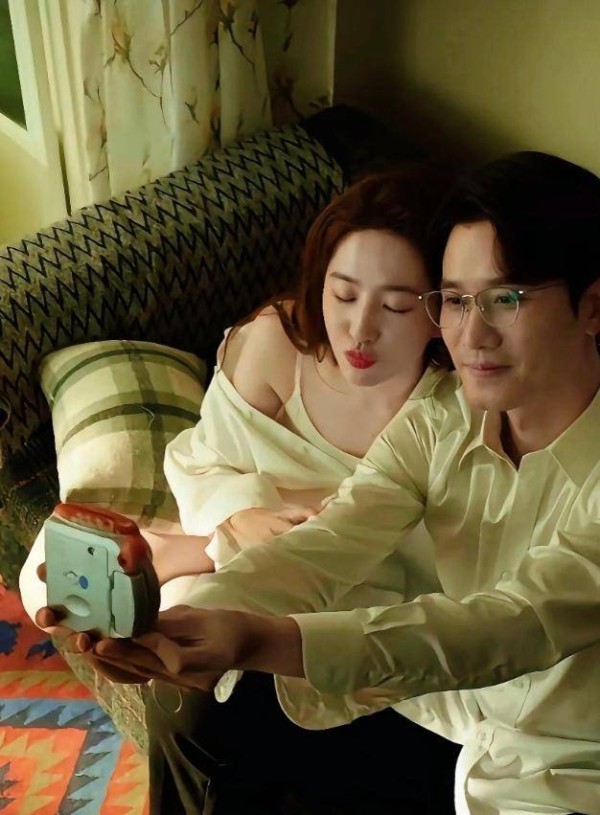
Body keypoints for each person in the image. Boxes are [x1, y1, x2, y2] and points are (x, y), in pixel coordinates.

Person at [69, 150, 600, 815]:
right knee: (203, 703)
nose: (471, 335)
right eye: (455, 300)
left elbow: (507, 626)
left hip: (571, 765)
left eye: (505, 299)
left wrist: (259, 637)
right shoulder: (442, 418)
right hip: (460, 717)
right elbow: (333, 540)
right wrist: (182, 623)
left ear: (593, 306)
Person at [29, 168, 463, 813]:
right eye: (343, 294)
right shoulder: (275, 344)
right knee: (176, 682)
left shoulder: (451, 410)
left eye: (397, 307)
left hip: (377, 601)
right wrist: (241, 518)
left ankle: (193, 557)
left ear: (442, 311)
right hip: (258, 563)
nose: (360, 329)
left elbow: (430, 563)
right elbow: (201, 463)